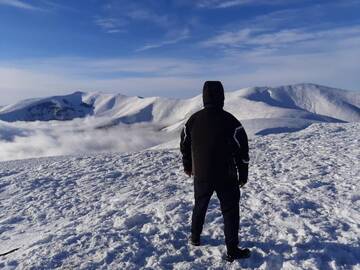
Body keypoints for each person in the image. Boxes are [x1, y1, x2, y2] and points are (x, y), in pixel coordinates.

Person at [180, 81, 250, 261]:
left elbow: (185, 145)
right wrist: (243, 174)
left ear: (204, 97)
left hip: (201, 173)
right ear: (222, 97)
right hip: (226, 175)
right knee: (230, 211)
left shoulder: (193, 120)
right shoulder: (231, 121)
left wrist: (188, 166)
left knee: (200, 205)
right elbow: (242, 150)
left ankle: (195, 238)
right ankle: (232, 250)